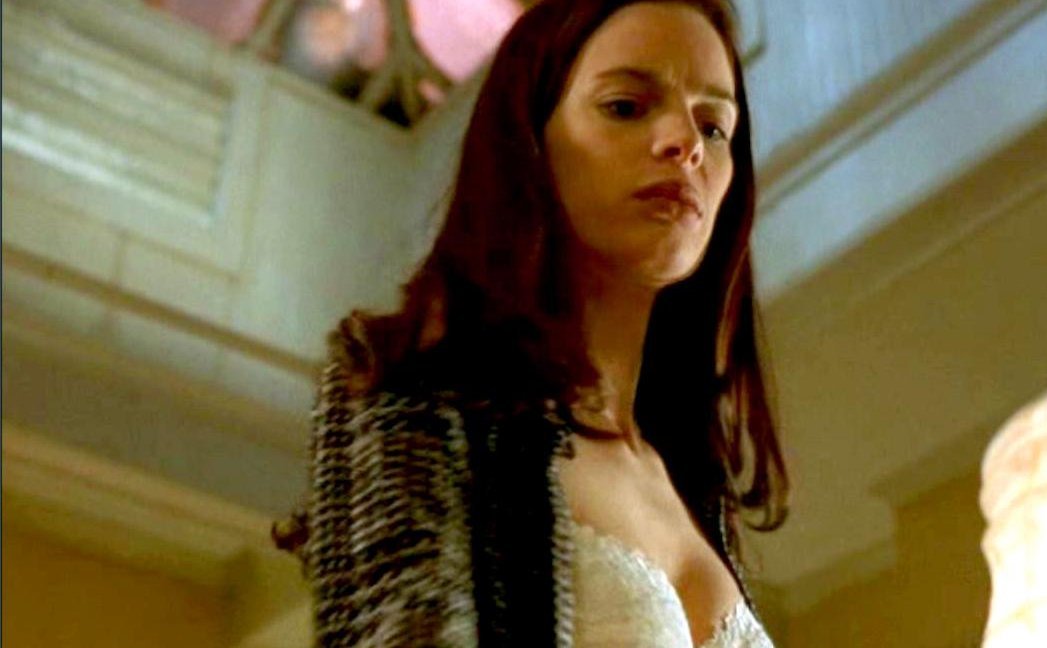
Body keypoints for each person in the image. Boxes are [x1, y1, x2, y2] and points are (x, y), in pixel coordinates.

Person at [275, 0, 789, 645]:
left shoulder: (695, 487)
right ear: (530, 140)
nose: (684, 143)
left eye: (714, 126)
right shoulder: (413, 389)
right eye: (626, 106)